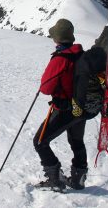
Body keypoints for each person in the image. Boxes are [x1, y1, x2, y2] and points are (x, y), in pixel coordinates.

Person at [33, 19, 86, 191]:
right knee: (77, 141)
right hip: (81, 107)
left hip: (65, 109)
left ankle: (56, 180)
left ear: (57, 39)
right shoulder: (81, 54)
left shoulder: (60, 59)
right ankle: (78, 180)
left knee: (40, 141)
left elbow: (46, 88)